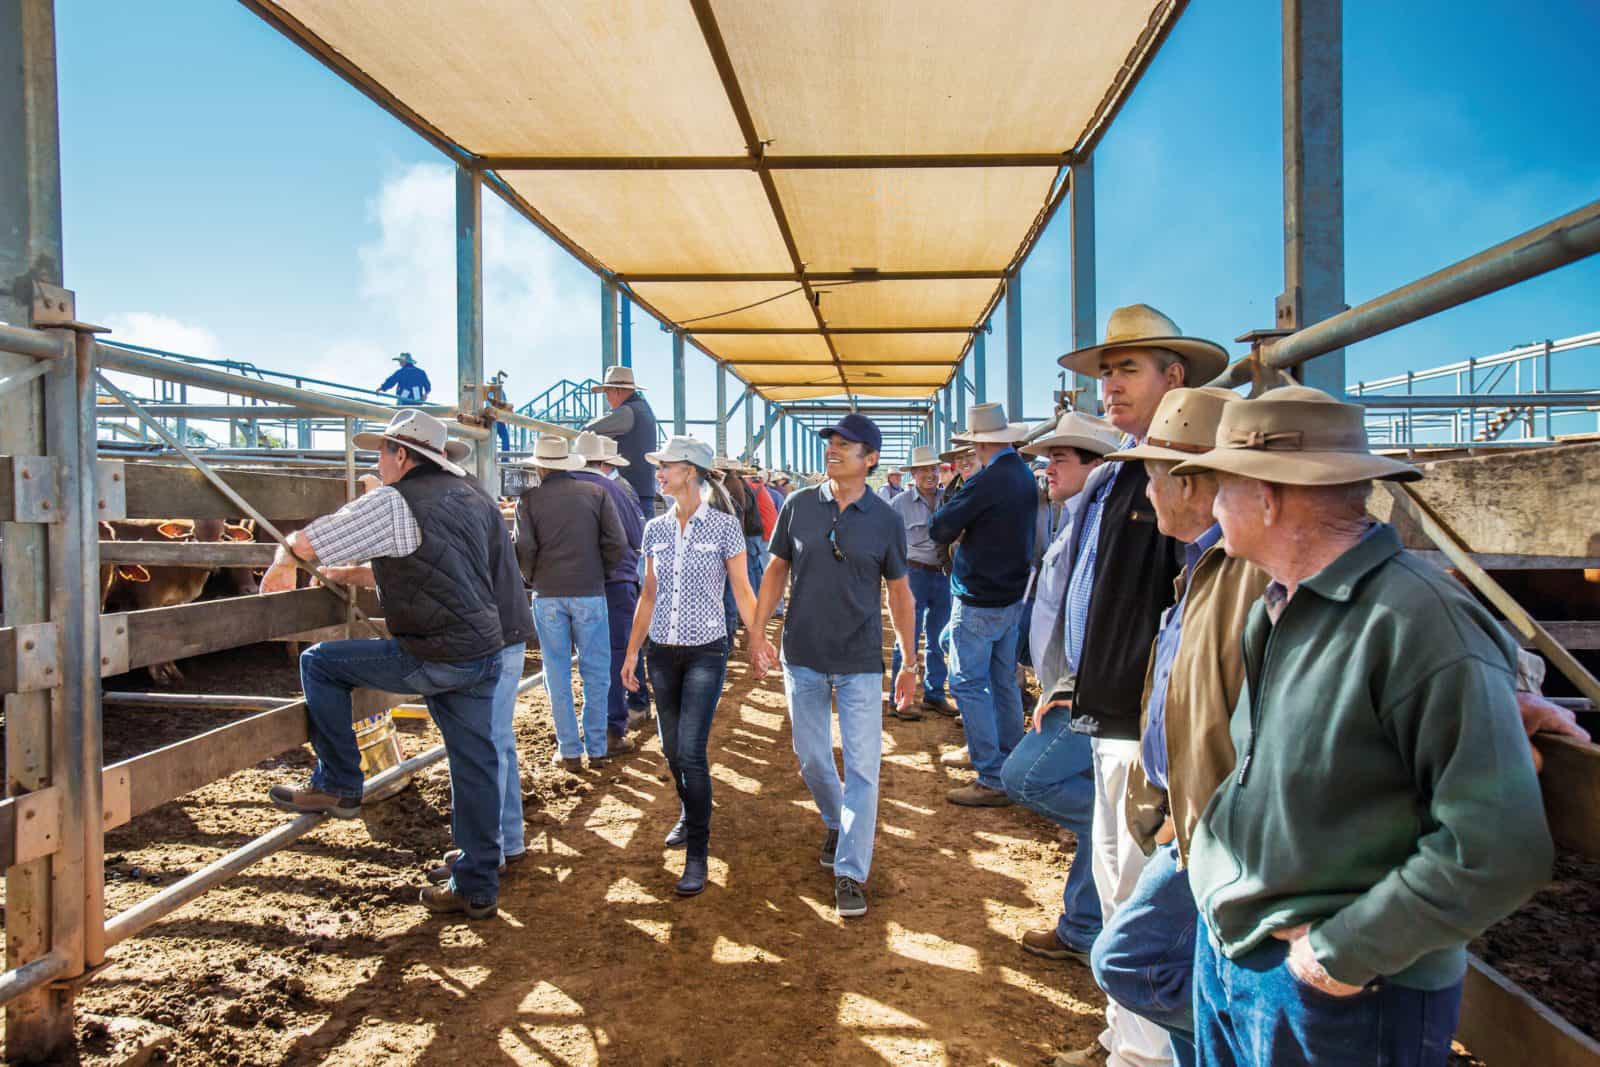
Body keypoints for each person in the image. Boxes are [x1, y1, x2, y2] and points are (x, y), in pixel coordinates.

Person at [1172, 387, 1554, 1067]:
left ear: (1268, 496)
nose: (1208, 503)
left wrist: (1340, 953)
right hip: (1244, 949)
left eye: (1222, 483)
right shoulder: (1279, 606)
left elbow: (1500, 846)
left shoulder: (1419, 619)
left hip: (1342, 993)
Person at [1035, 303, 1228, 1067]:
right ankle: (1126, 1039)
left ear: (1173, 378)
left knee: (1135, 895)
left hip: (1143, 722)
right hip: (1107, 706)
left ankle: (1143, 1054)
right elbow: (1095, 591)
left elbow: (1194, 611)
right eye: (1106, 371)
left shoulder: (1185, 478)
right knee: (1120, 889)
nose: (1109, 385)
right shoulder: (1124, 473)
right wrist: (1073, 679)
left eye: (1128, 369)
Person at [261, 409, 505, 919]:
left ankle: (339, 782)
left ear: (401, 455)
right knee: (474, 760)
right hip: (482, 648)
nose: (378, 461)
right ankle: (478, 877)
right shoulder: (473, 497)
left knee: (320, 664)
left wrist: (284, 561)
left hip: (435, 651)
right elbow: (438, 567)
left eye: (382, 452)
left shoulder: (397, 500)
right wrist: (359, 575)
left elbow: (310, 540)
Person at [1080, 387, 1263, 1066]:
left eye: (1153, 473)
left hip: (1221, 832)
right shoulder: (1206, 563)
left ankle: (1216, 1042)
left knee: (1135, 957)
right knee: (1136, 958)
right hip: (1192, 823)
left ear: (1186, 482)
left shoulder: (1245, 567)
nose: (1144, 489)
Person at [753, 413, 917, 919]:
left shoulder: (887, 519)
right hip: (801, 654)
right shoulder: (800, 505)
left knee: (864, 767)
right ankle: (835, 818)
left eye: (846, 445)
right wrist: (757, 631)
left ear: (871, 459)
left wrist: (911, 659)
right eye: (832, 443)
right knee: (812, 756)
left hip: (861, 661)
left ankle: (850, 871)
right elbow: (776, 568)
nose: (833, 450)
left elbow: (899, 593)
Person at [994, 410, 1120, 959]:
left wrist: (1073, 679)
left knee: (1026, 777)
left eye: (1061, 458)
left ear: (1095, 466)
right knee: (1094, 801)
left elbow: (1108, 612)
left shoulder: (1105, 516)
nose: (1047, 468)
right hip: (1070, 682)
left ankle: (1122, 837)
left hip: (1090, 688)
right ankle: (1083, 923)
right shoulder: (1076, 515)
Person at [619, 436, 767, 896]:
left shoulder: (724, 527)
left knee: (690, 752)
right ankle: (690, 811)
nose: (659, 473)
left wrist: (759, 637)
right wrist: (630, 654)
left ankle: (697, 852)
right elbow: (648, 595)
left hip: (706, 650)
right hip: (660, 652)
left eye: (666, 466)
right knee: (668, 750)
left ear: (691, 471)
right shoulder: (654, 530)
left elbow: (742, 589)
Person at [928, 403, 1038, 807]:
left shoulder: (988, 480)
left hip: (978, 596)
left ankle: (990, 774)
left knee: (967, 682)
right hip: (1010, 595)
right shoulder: (1023, 475)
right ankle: (1009, 761)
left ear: (977, 443)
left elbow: (939, 526)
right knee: (1003, 679)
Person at [516, 435, 627, 769]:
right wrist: (600, 571)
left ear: (539, 466)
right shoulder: (596, 494)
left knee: (557, 672)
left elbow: (525, 548)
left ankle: (568, 749)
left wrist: (534, 578)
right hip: (590, 591)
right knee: (596, 671)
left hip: (548, 594)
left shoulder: (529, 500)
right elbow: (616, 543)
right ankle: (596, 747)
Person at [570, 431, 645, 754]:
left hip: (571, 584)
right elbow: (636, 536)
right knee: (619, 651)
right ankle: (614, 728)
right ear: (603, 461)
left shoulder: (555, 488)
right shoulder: (616, 489)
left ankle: (574, 739)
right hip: (616, 582)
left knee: (578, 660)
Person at [887, 445, 954, 720]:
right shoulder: (898, 505)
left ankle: (934, 694)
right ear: (913, 473)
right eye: (924, 469)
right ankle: (899, 698)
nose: (931, 474)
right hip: (913, 575)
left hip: (943, 574)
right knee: (907, 635)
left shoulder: (949, 498)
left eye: (934, 468)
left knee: (938, 637)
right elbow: (888, 542)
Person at [584, 365, 660, 515]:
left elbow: (587, 430)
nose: (607, 398)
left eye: (607, 392)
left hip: (629, 493)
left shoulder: (626, 412)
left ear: (617, 390)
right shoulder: (643, 408)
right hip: (642, 491)